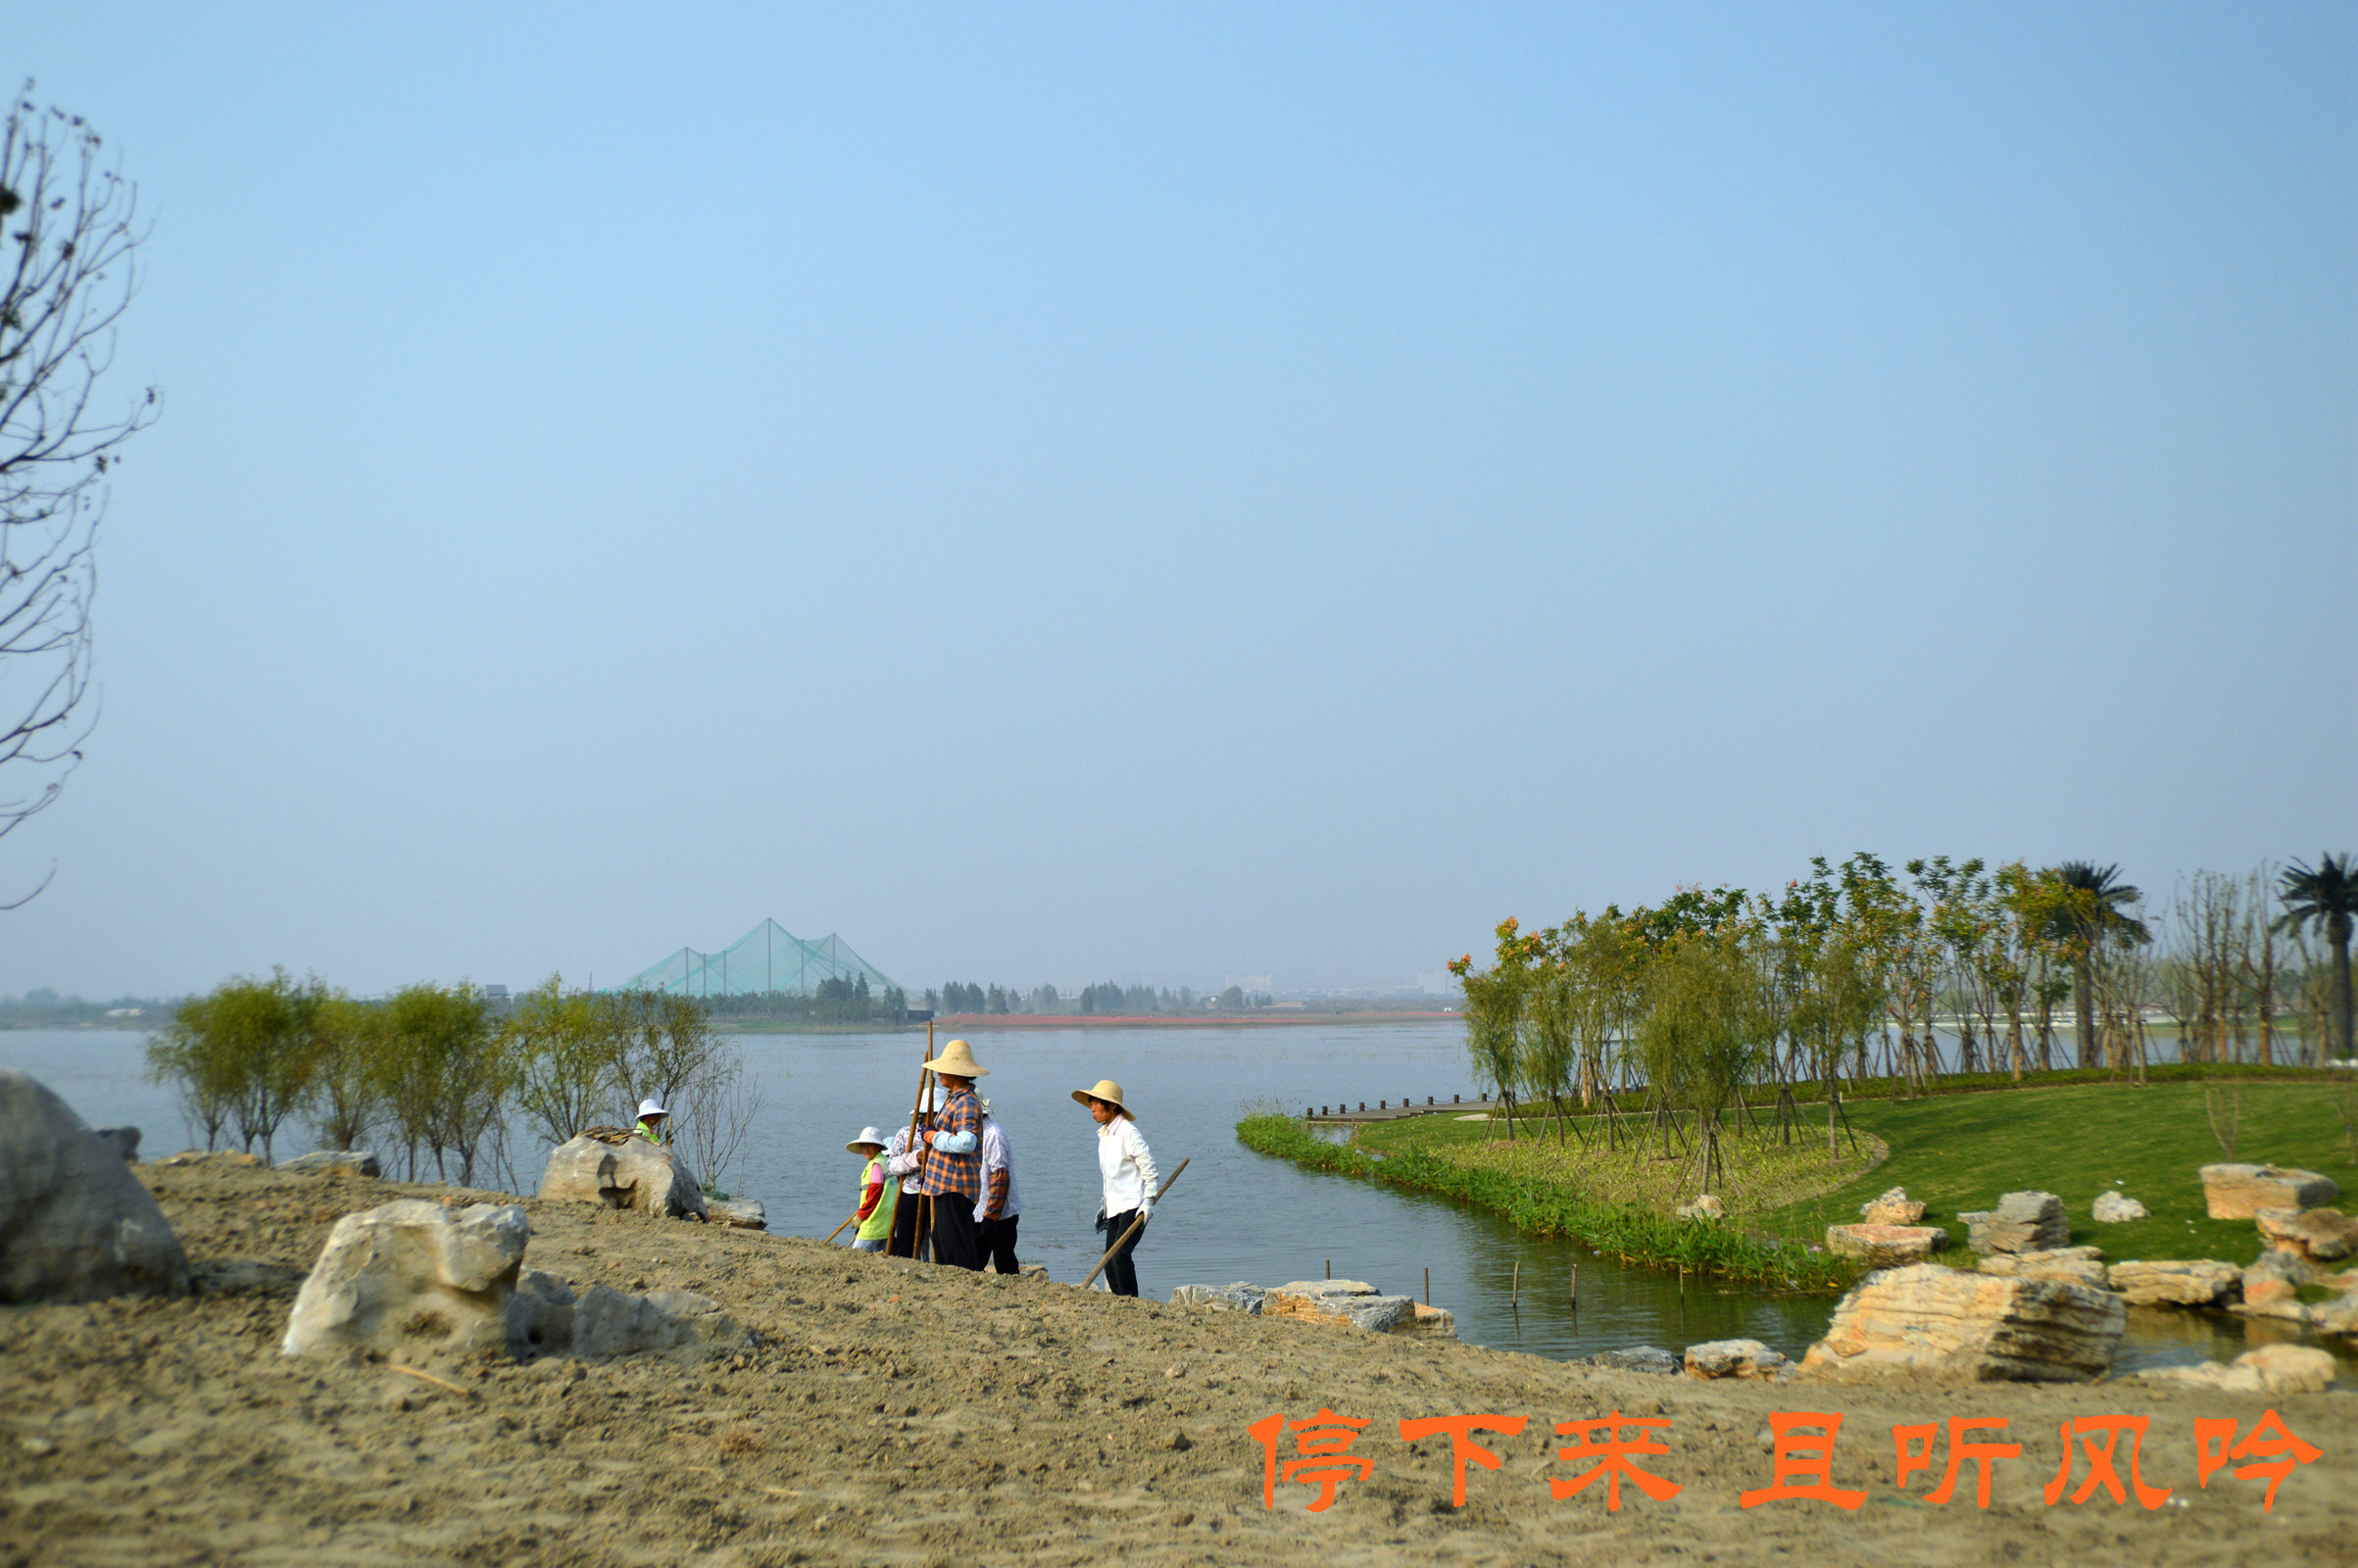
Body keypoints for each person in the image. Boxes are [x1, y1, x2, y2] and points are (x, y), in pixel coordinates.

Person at [1072, 1077, 1157, 1298]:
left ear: (1112, 1106)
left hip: (1133, 1206)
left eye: (1096, 1102)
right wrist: (1104, 1206)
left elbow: (1149, 1167)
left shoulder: (1128, 1133)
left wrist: (1148, 1201)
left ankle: (1133, 1303)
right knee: (1109, 1260)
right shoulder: (1105, 1135)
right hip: (1115, 1208)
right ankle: (1120, 1303)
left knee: (1120, 1255)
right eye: (1090, 1101)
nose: (1091, 1107)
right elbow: (1110, 1178)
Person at [913, 1038, 989, 1271]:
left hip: (956, 1183)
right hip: (944, 1181)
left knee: (955, 1243)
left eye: (944, 1070)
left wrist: (933, 1136)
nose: (939, 1075)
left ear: (956, 1073)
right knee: (943, 1240)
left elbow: (967, 1142)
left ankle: (968, 1284)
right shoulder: (952, 1098)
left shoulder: (966, 1102)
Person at [884, 1091, 937, 1259]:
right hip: (912, 1193)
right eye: (932, 1114)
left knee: (938, 1240)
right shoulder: (907, 1133)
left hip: (939, 1193)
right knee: (907, 1240)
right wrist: (915, 1159)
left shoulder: (946, 1135)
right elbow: (891, 1166)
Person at [976, 1099, 1022, 1275]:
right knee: (976, 1258)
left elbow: (1000, 1176)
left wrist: (991, 1215)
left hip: (1000, 1211)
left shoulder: (993, 1134)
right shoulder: (974, 1133)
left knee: (1004, 1261)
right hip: (980, 1207)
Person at [846, 1126, 895, 1252]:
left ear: (878, 1147)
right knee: (885, 1259)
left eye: (870, 1146)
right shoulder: (887, 1162)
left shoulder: (876, 1165)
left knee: (856, 1256)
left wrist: (862, 1215)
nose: (866, 1149)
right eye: (863, 1146)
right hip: (889, 1222)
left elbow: (875, 1193)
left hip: (873, 1221)